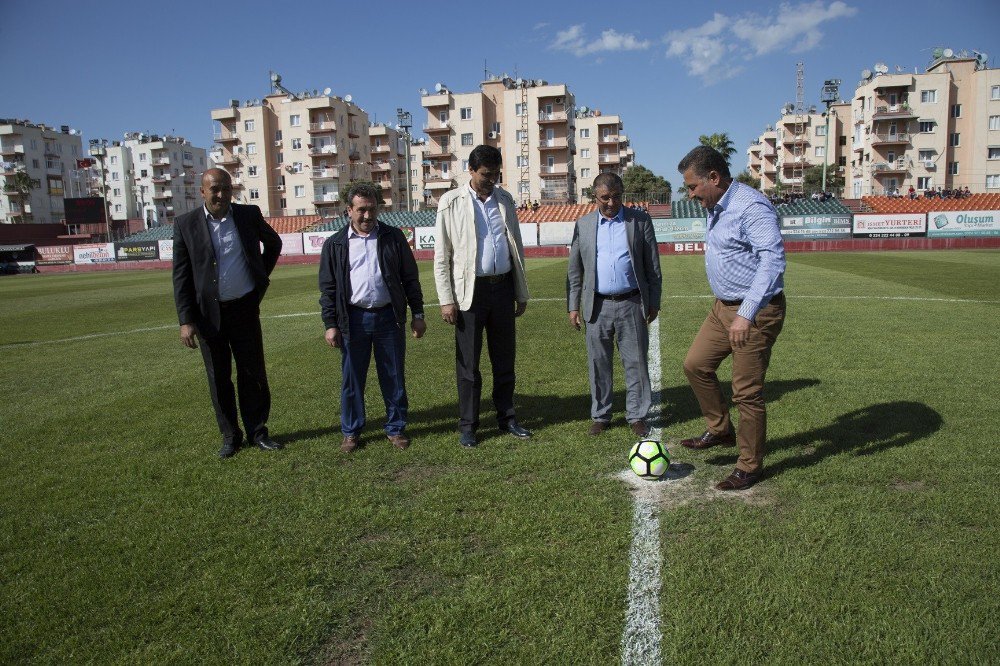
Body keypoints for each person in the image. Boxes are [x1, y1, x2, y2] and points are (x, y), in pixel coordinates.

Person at [676, 146, 786, 491]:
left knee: (746, 392)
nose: (690, 195)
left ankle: (749, 466)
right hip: (722, 308)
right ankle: (720, 430)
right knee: (695, 364)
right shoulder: (717, 205)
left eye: (693, 187)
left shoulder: (750, 206)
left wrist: (746, 314)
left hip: (753, 312)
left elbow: (772, 260)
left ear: (714, 177)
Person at [172, 168, 283, 459]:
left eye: (226, 188)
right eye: (214, 189)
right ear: (202, 191)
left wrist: (260, 276)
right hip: (209, 316)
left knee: (253, 373)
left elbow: (274, 243)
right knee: (219, 378)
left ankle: (258, 432)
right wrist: (186, 320)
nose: (221, 195)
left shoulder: (248, 215)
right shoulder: (185, 224)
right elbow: (181, 277)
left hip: (245, 308)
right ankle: (230, 436)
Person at [434, 144, 531, 448]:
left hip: (502, 288)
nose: (492, 180)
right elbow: (442, 255)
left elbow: (515, 246)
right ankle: (468, 425)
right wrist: (446, 299)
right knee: (468, 365)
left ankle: (507, 418)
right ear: (471, 171)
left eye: (496, 175)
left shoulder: (505, 199)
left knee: (505, 360)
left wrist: (520, 290)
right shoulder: (450, 202)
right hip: (469, 293)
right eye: (486, 175)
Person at [318, 182, 426, 453]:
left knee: (393, 375)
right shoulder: (335, 244)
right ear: (349, 211)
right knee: (352, 379)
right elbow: (328, 288)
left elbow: (410, 278)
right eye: (361, 210)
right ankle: (351, 431)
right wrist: (331, 324)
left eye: (372, 209)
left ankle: (396, 427)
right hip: (353, 320)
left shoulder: (393, 237)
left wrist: (418, 313)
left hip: (389, 318)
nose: (367, 216)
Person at [567, 173, 662, 437]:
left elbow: (652, 266)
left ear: (623, 194)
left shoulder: (639, 221)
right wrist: (573, 306)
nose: (611, 202)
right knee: (599, 364)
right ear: (595, 196)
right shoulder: (583, 224)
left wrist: (653, 301)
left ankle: (637, 415)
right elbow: (575, 270)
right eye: (605, 197)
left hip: (631, 302)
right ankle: (601, 415)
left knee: (636, 363)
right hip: (596, 306)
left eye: (616, 196)